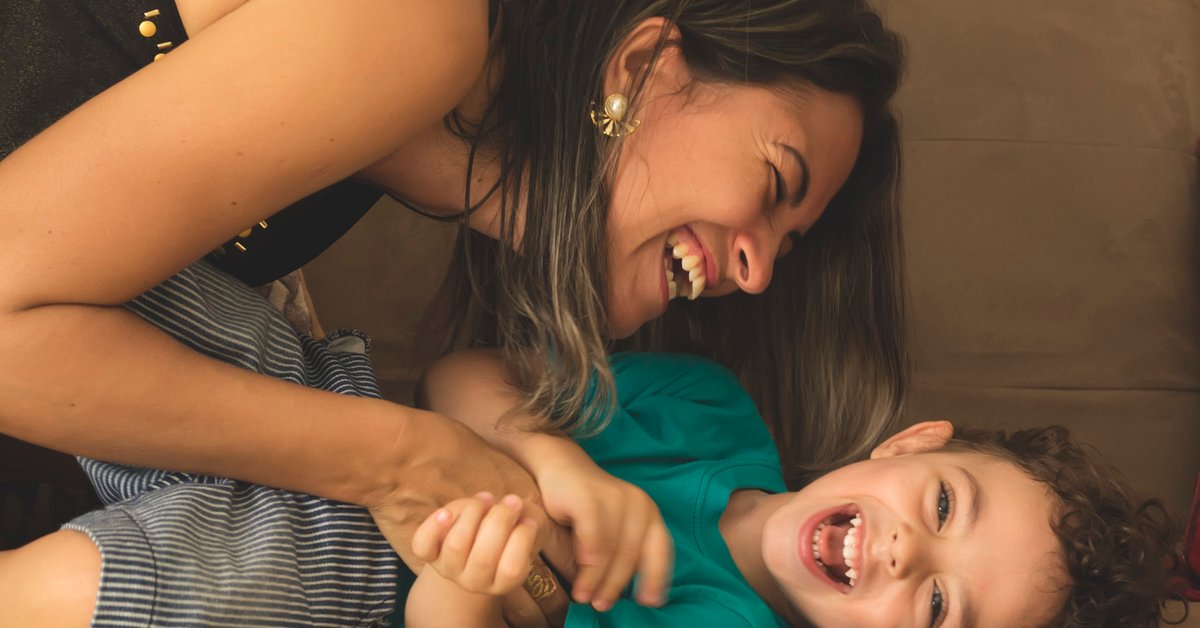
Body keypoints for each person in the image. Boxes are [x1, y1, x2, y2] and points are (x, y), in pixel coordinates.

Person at [0, 0, 905, 623]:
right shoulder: (418, 25)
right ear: (643, 68)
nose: (756, 274)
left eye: (784, 248)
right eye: (775, 183)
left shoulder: (418, 141)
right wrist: (405, 461)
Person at [407, 350, 1181, 627]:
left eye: (938, 608)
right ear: (911, 443)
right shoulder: (707, 405)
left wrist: (459, 589)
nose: (906, 551)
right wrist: (555, 462)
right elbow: (459, 374)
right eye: (944, 505)